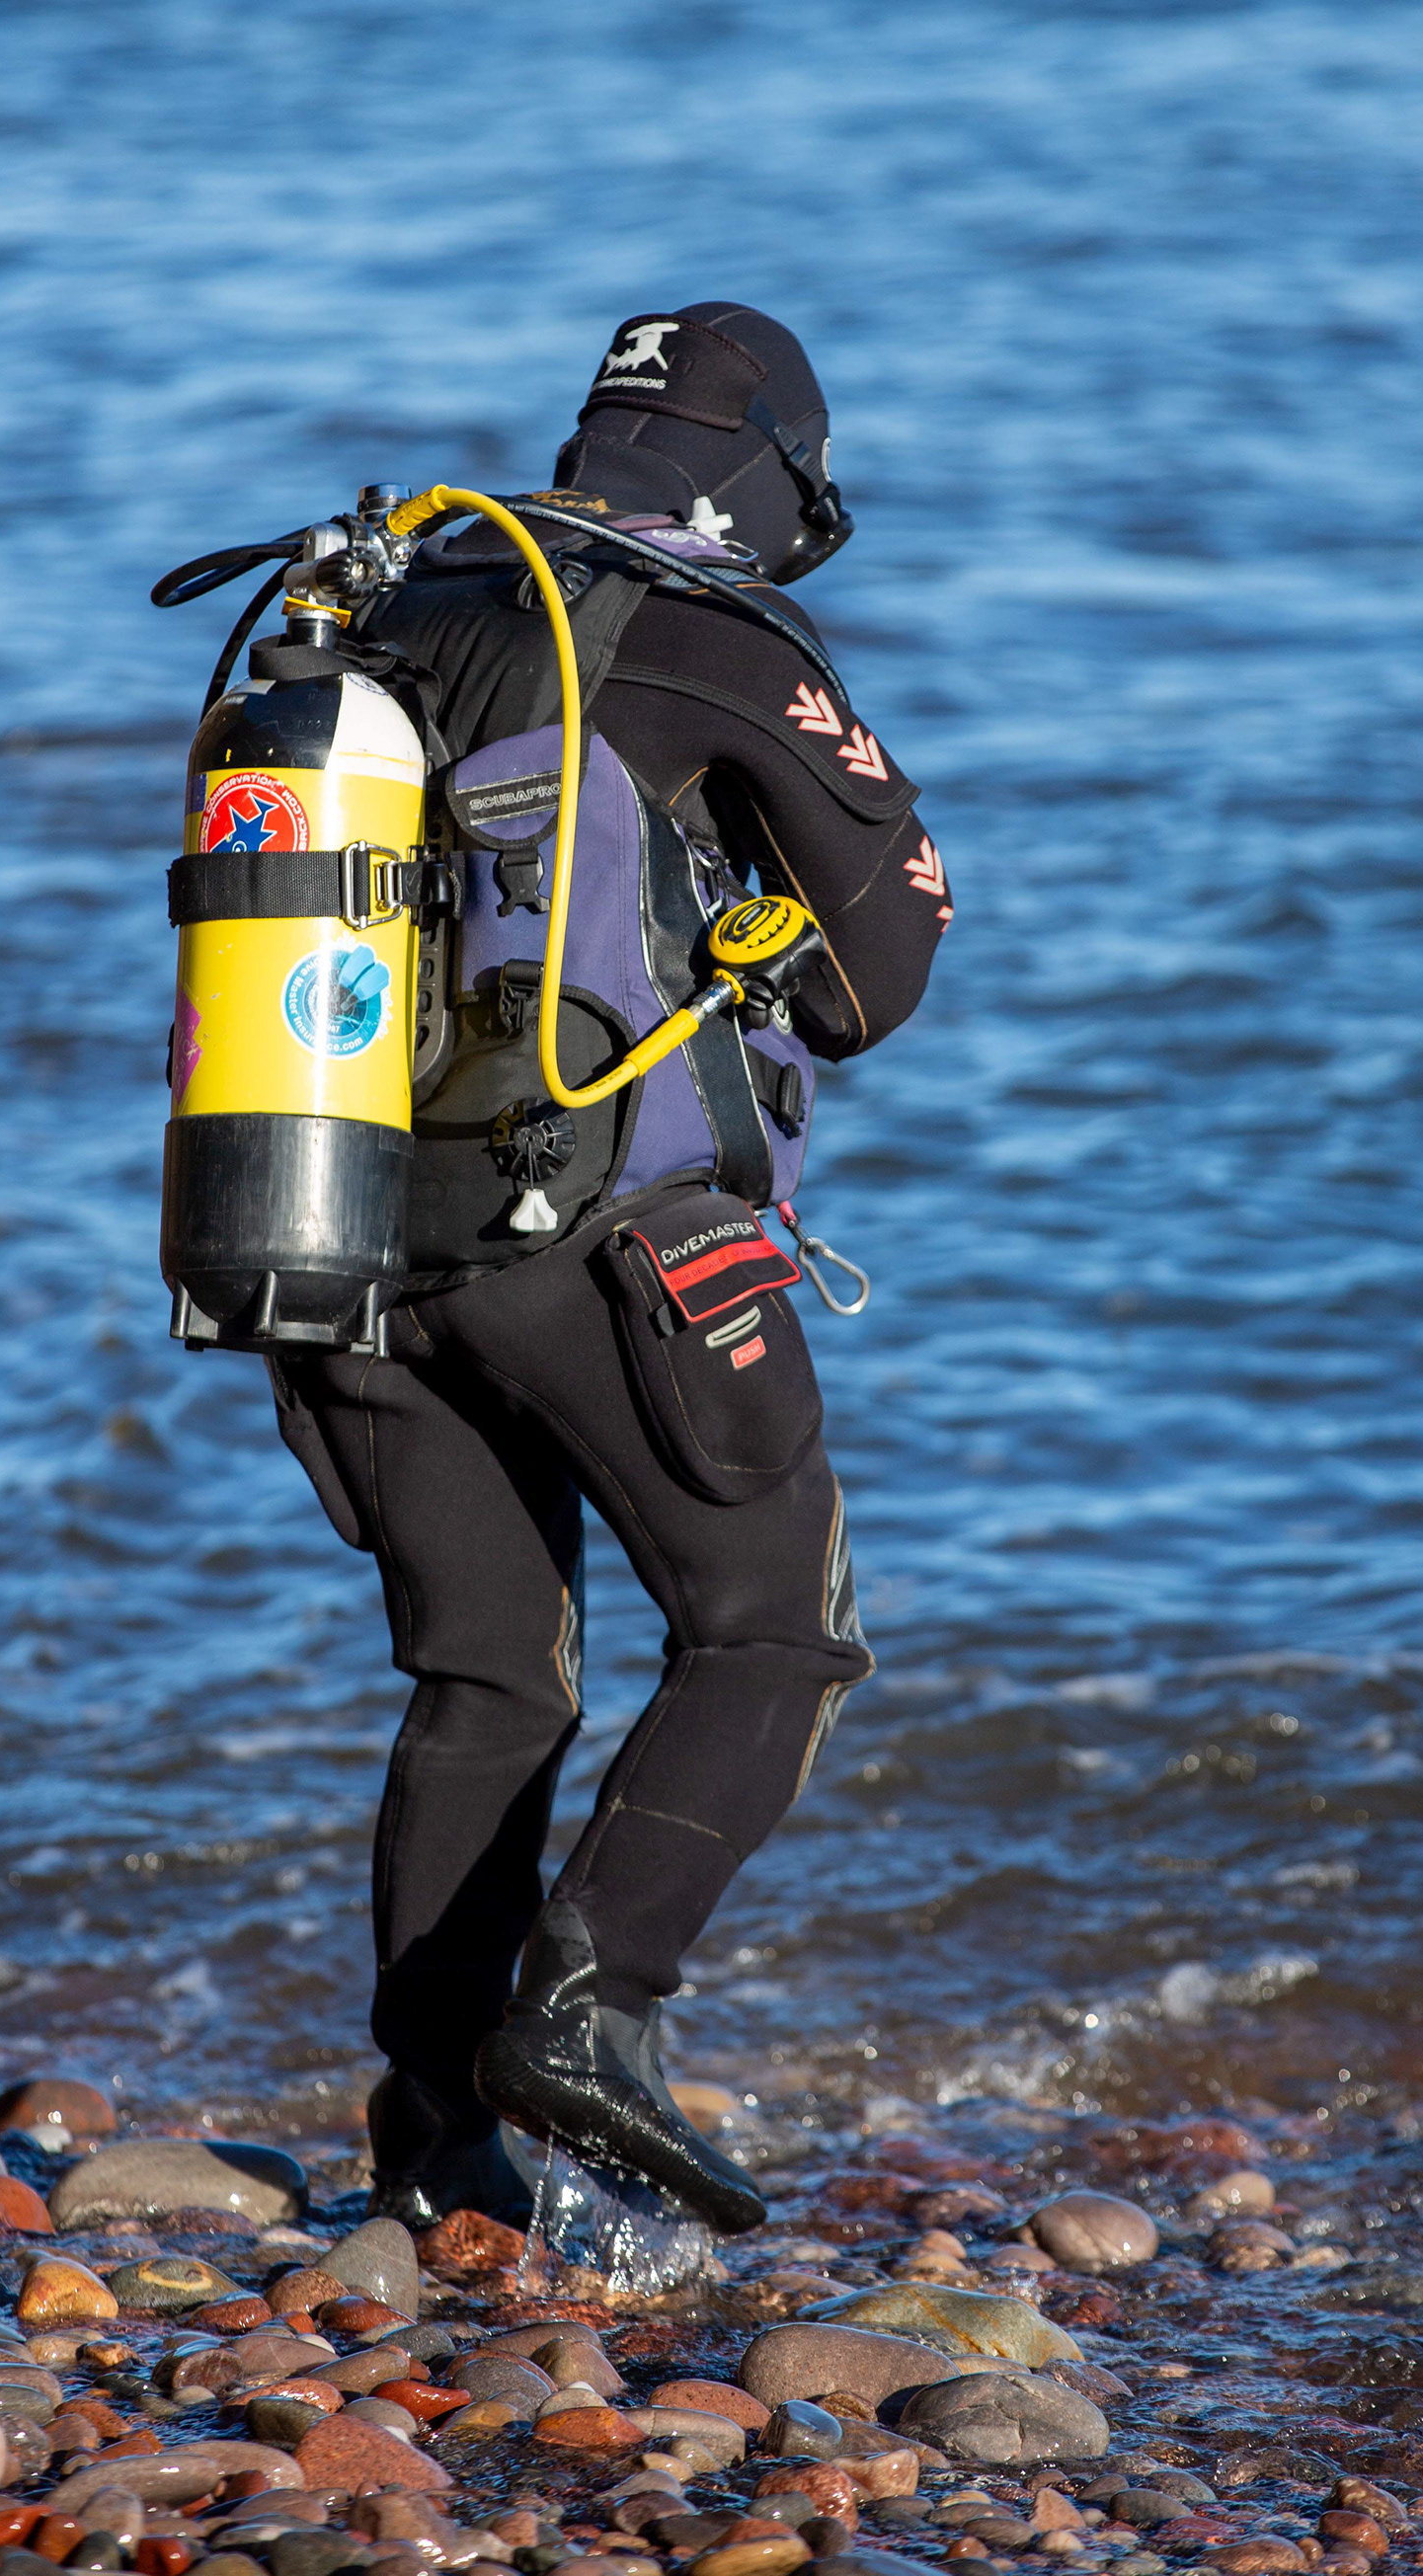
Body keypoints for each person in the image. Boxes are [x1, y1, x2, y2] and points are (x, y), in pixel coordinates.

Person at [268, 303, 952, 2234]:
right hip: (582, 1221)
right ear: (766, 478)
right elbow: (886, 962)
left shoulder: (400, 588)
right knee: (774, 1628)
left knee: (490, 1673)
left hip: (326, 1221)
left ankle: (430, 2147)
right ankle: (596, 2007)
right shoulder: (707, 629)